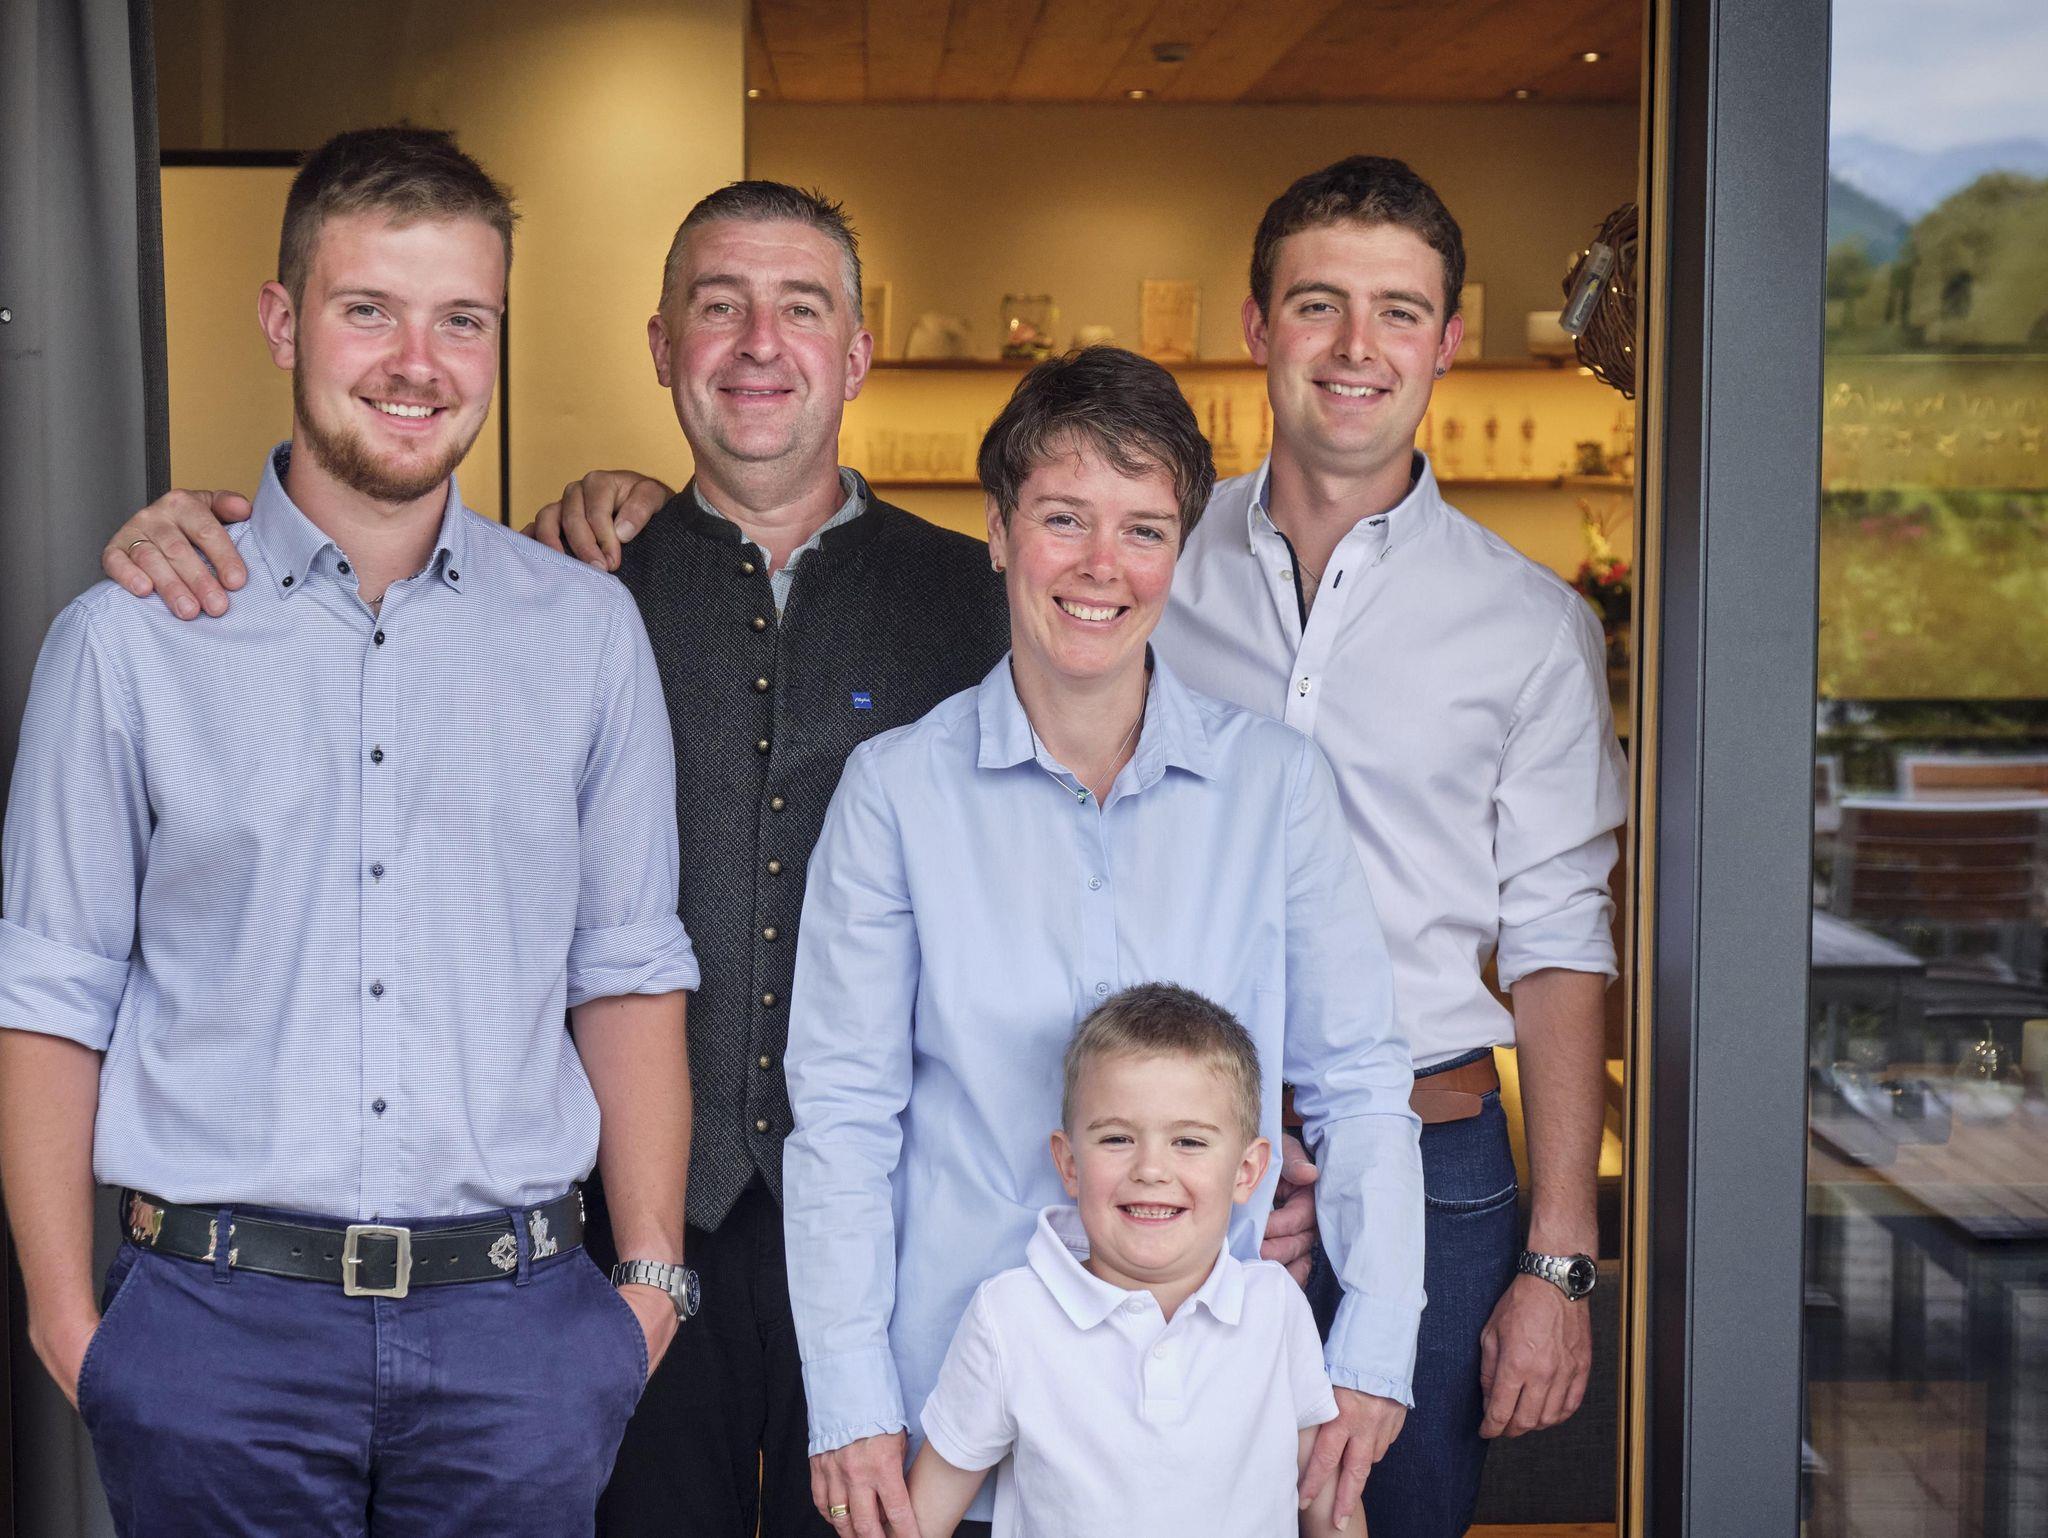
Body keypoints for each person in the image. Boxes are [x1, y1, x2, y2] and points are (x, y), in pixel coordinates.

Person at [94, 178, 1326, 1538]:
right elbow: (362, 591)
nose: (758, 343)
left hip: (901, 1226)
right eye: (718, 306)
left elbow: (1130, 854)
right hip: (620, 1230)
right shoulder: (566, 586)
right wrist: (201, 534)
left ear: (856, 353)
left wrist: (1240, 1143)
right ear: (659, 345)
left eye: (799, 308)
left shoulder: (996, 595)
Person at [0, 126, 700, 1535]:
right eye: (368, 309)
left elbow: (625, 969)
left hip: (519, 1340)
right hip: (213, 1337)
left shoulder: (586, 633)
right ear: (282, 322)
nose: (416, 362)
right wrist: (73, 1325)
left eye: (463, 319)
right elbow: (50, 997)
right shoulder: (126, 642)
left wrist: (645, 1291)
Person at [783, 346, 1422, 1538]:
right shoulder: (894, 791)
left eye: (1142, 529)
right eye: (1062, 517)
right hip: (956, 1424)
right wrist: (849, 1394)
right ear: (996, 531)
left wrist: (1374, 1347)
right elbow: (843, 1117)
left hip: (1207, 1444)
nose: (1099, 566)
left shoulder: (1276, 786)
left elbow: (1360, 1082)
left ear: (1179, 551)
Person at [1153, 155, 1629, 1536]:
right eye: (1319, 304)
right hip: (1172, 1153)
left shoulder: (1528, 624)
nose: (1356, 347)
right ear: (1257, 326)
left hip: (1433, 1167)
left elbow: (1557, 943)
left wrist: (1559, 1260)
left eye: (1398, 312)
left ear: (1447, 341)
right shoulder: (1143, 571)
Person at [908, 983, 1366, 1538]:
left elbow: (1326, 1503)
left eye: (1189, 1142)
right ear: (1069, 1164)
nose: (1151, 1169)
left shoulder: (1275, 1306)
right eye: (1117, 1139)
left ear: (1247, 1172)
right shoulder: (1009, 1317)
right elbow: (921, 1519)